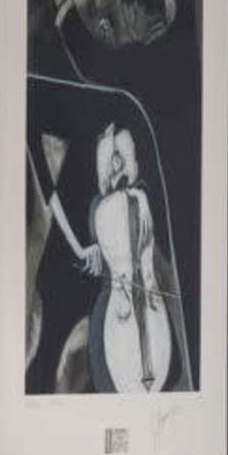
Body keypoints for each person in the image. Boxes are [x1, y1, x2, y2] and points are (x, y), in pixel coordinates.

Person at [38, 122, 179, 394]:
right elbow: (47, 184)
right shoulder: (94, 202)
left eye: (123, 160)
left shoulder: (141, 195)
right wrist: (79, 247)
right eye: (111, 161)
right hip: (103, 292)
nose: (117, 167)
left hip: (149, 287)